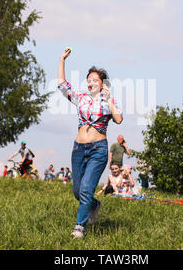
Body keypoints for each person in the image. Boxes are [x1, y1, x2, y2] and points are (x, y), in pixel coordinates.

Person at [58, 47, 123, 239]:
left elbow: (118, 119)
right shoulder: (81, 99)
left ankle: (79, 227)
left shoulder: (107, 101)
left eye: (95, 80)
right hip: (78, 149)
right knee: (78, 192)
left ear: (103, 84)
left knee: (87, 189)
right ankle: (94, 205)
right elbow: (62, 85)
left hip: (98, 150)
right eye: (89, 80)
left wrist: (110, 98)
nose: (91, 82)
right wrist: (62, 59)